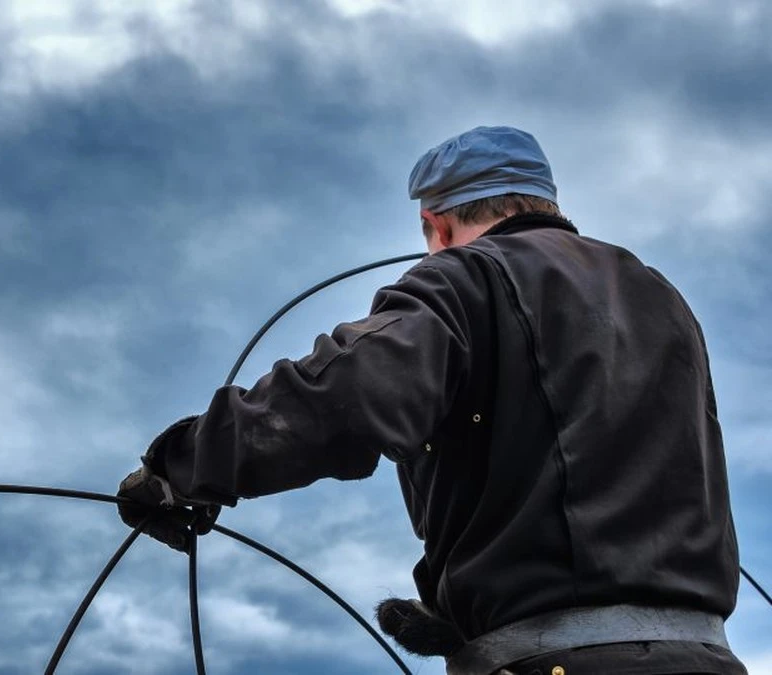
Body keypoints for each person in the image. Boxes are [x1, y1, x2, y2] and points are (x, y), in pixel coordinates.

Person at [116, 126, 746, 674]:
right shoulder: (659, 296)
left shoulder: (464, 277)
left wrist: (177, 470)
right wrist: (450, 617)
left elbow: (345, 394)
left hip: (554, 665)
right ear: (545, 200)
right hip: (709, 659)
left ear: (436, 224)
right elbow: (575, 472)